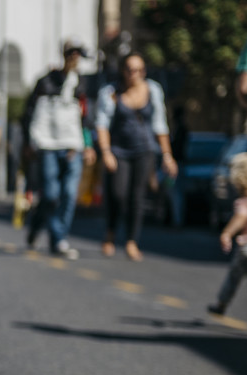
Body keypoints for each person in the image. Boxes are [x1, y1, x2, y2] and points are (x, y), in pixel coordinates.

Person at [95, 53, 178, 262]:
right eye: (131, 70)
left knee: (137, 197)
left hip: (145, 150)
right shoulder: (111, 92)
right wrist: (105, 152)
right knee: (118, 194)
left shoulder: (153, 90)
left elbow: (160, 125)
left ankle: (131, 241)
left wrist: (167, 155)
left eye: (140, 70)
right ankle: (111, 231)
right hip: (119, 151)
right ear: (123, 71)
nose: (136, 74)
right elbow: (102, 124)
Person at [23, 39, 96, 259]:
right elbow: (29, 113)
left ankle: (58, 239)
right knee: (51, 195)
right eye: (71, 54)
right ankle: (37, 226)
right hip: (47, 145)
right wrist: (29, 142)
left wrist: (88, 144)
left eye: (78, 56)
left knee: (69, 194)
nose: (74, 59)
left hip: (72, 146)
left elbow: (85, 118)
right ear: (64, 56)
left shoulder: (80, 84)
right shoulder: (45, 82)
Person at [207, 153, 247, 316]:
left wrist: (227, 233)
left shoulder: (244, 201)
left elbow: (242, 216)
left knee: (234, 276)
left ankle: (222, 303)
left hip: (246, 247)